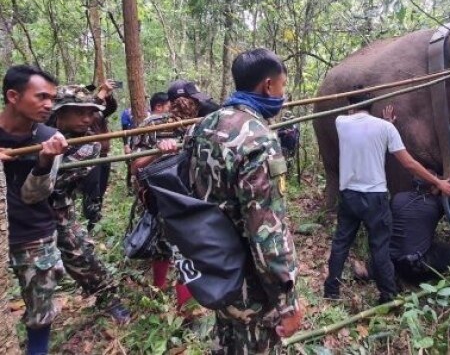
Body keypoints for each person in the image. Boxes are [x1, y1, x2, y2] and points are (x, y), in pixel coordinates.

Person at [187, 48, 303, 353]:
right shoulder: (258, 138)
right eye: (282, 85)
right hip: (249, 283)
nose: (283, 93)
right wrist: (287, 301)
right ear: (268, 85)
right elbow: (267, 231)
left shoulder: (204, 125)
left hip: (214, 264)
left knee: (226, 342)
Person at [323, 98, 450, 304]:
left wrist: (387, 125)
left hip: (349, 196)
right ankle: (387, 295)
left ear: (351, 107)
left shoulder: (341, 122)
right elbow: (409, 163)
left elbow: (363, 137)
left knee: (341, 243)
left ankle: (331, 291)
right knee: (380, 247)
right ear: (372, 107)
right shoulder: (384, 128)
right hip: (374, 198)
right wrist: (438, 182)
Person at [130, 81, 218, 310]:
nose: (191, 105)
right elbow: (135, 165)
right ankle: (158, 292)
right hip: (158, 195)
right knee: (161, 247)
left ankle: (185, 309)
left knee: (187, 249)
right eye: (189, 100)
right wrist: (158, 151)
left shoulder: (200, 123)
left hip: (189, 194)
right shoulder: (153, 124)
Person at [0, 65, 68, 355]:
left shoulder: (49, 135)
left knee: (40, 310)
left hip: (34, 235)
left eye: (52, 98)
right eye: (41, 97)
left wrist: (44, 161)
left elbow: (34, 195)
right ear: (13, 96)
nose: (49, 105)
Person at [48, 85, 131, 324]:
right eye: (80, 113)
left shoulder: (89, 144)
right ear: (60, 112)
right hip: (22, 214)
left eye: (90, 113)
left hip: (58, 209)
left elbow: (55, 183)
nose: (88, 119)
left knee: (82, 255)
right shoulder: (34, 132)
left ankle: (108, 299)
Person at [353, 175, 450, 284]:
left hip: (392, 259)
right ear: (434, 187)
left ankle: (369, 271)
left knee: (392, 249)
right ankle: (423, 281)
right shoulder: (436, 203)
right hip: (415, 268)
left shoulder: (398, 198)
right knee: (449, 251)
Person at [80, 80, 119, 231]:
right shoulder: (82, 115)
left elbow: (111, 107)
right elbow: (89, 108)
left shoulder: (99, 112)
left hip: (103, 155)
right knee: (92, 189)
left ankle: (96, 216)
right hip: (90, 157)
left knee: (101, 187)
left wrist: (107, 95)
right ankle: (91, 219)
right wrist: (101, 93)